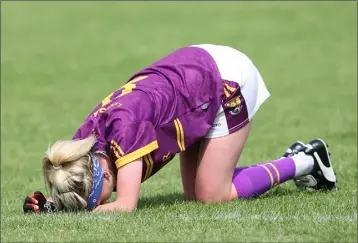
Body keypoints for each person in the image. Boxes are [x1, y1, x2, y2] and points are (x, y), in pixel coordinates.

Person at [23, 44, 337, 214]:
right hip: (193, 74)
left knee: (212, 195)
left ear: (105, 175)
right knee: (196, 193)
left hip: (223, 81)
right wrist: (57, 202)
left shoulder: (124, 134)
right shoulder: (81, 148)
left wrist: (85, 214)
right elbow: (73, 180)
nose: (102, 202)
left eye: (97, 199)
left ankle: (309, 161)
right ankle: (303, 160)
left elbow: (126, 206)